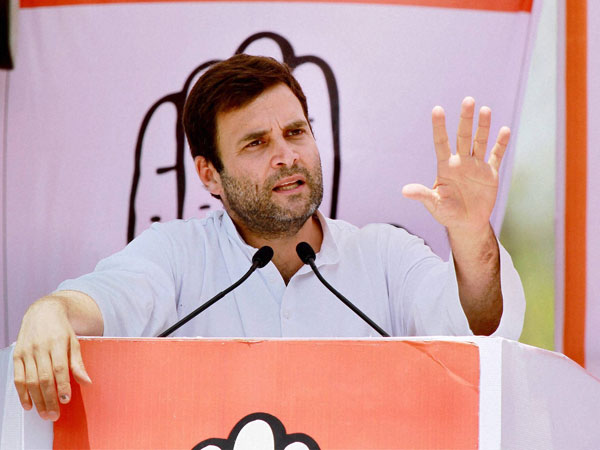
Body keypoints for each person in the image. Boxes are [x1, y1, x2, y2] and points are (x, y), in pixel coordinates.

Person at [13, 54, 525, 421]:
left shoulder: (384, 254)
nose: (286, 156)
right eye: (256, 143)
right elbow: (106, 299)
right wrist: (51, 312)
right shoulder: (175, 254)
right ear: (209, 175)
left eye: (296, 132)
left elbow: (476, 328)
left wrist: (470, 233)